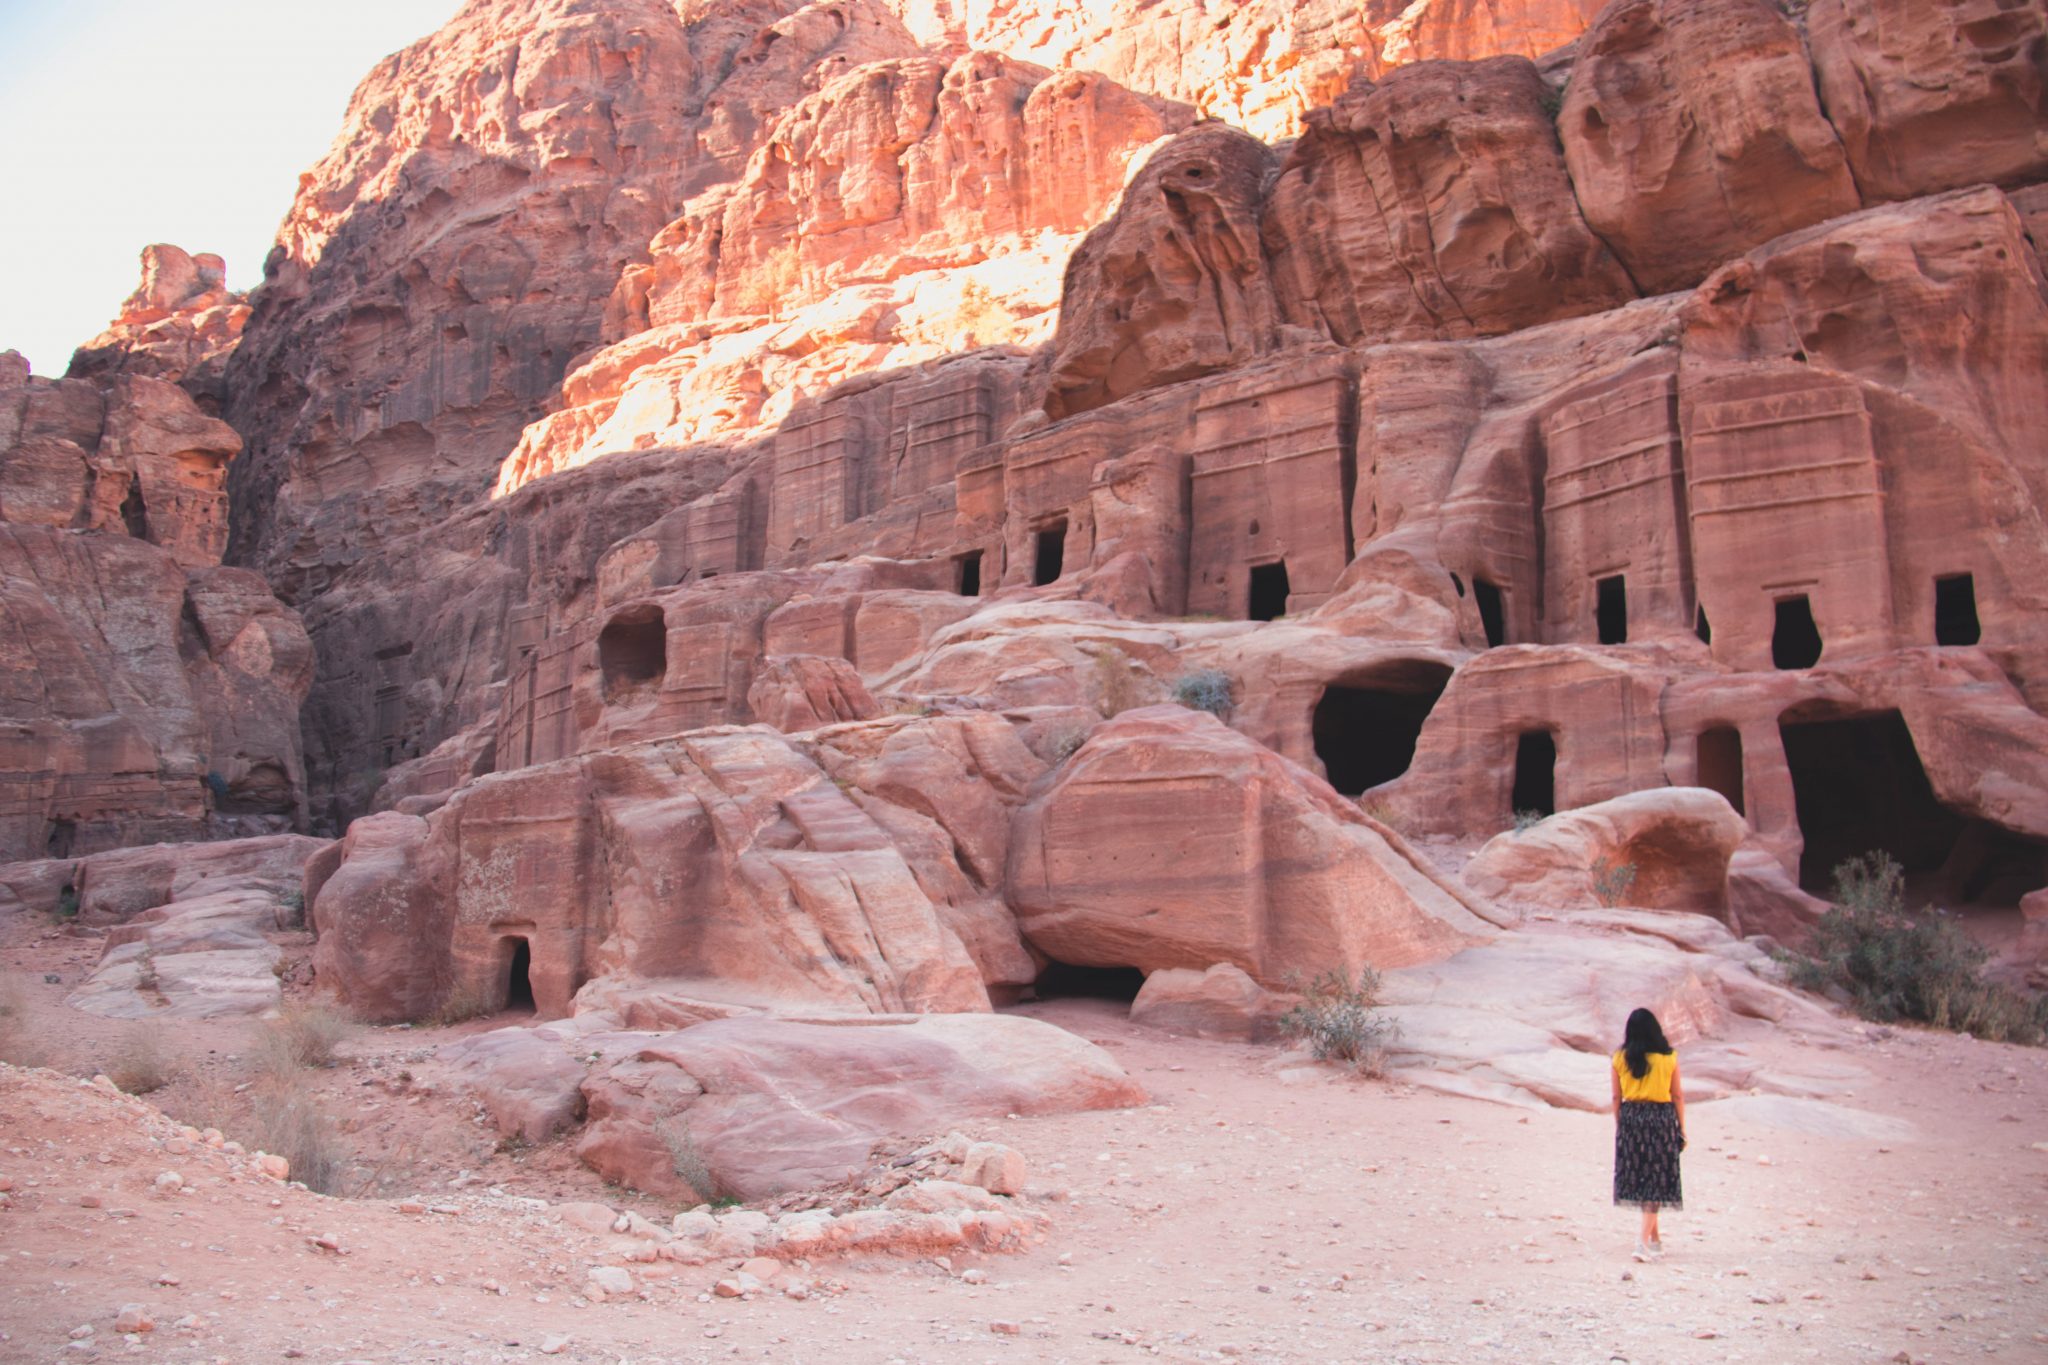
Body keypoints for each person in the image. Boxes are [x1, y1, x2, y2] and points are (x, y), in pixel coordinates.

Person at [1611, 1006, 1685, 1260]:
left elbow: (1615, 1097)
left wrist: (1621, 1125)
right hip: (1660, 1119)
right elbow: (1676, 1095)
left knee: (1644, 1180)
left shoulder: (1620, 1058)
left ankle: (1655, 1240)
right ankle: (1642, 1243)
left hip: (1631, 1117)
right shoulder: (1669, 1058)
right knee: (1657, 1181)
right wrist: (1681, 1129)